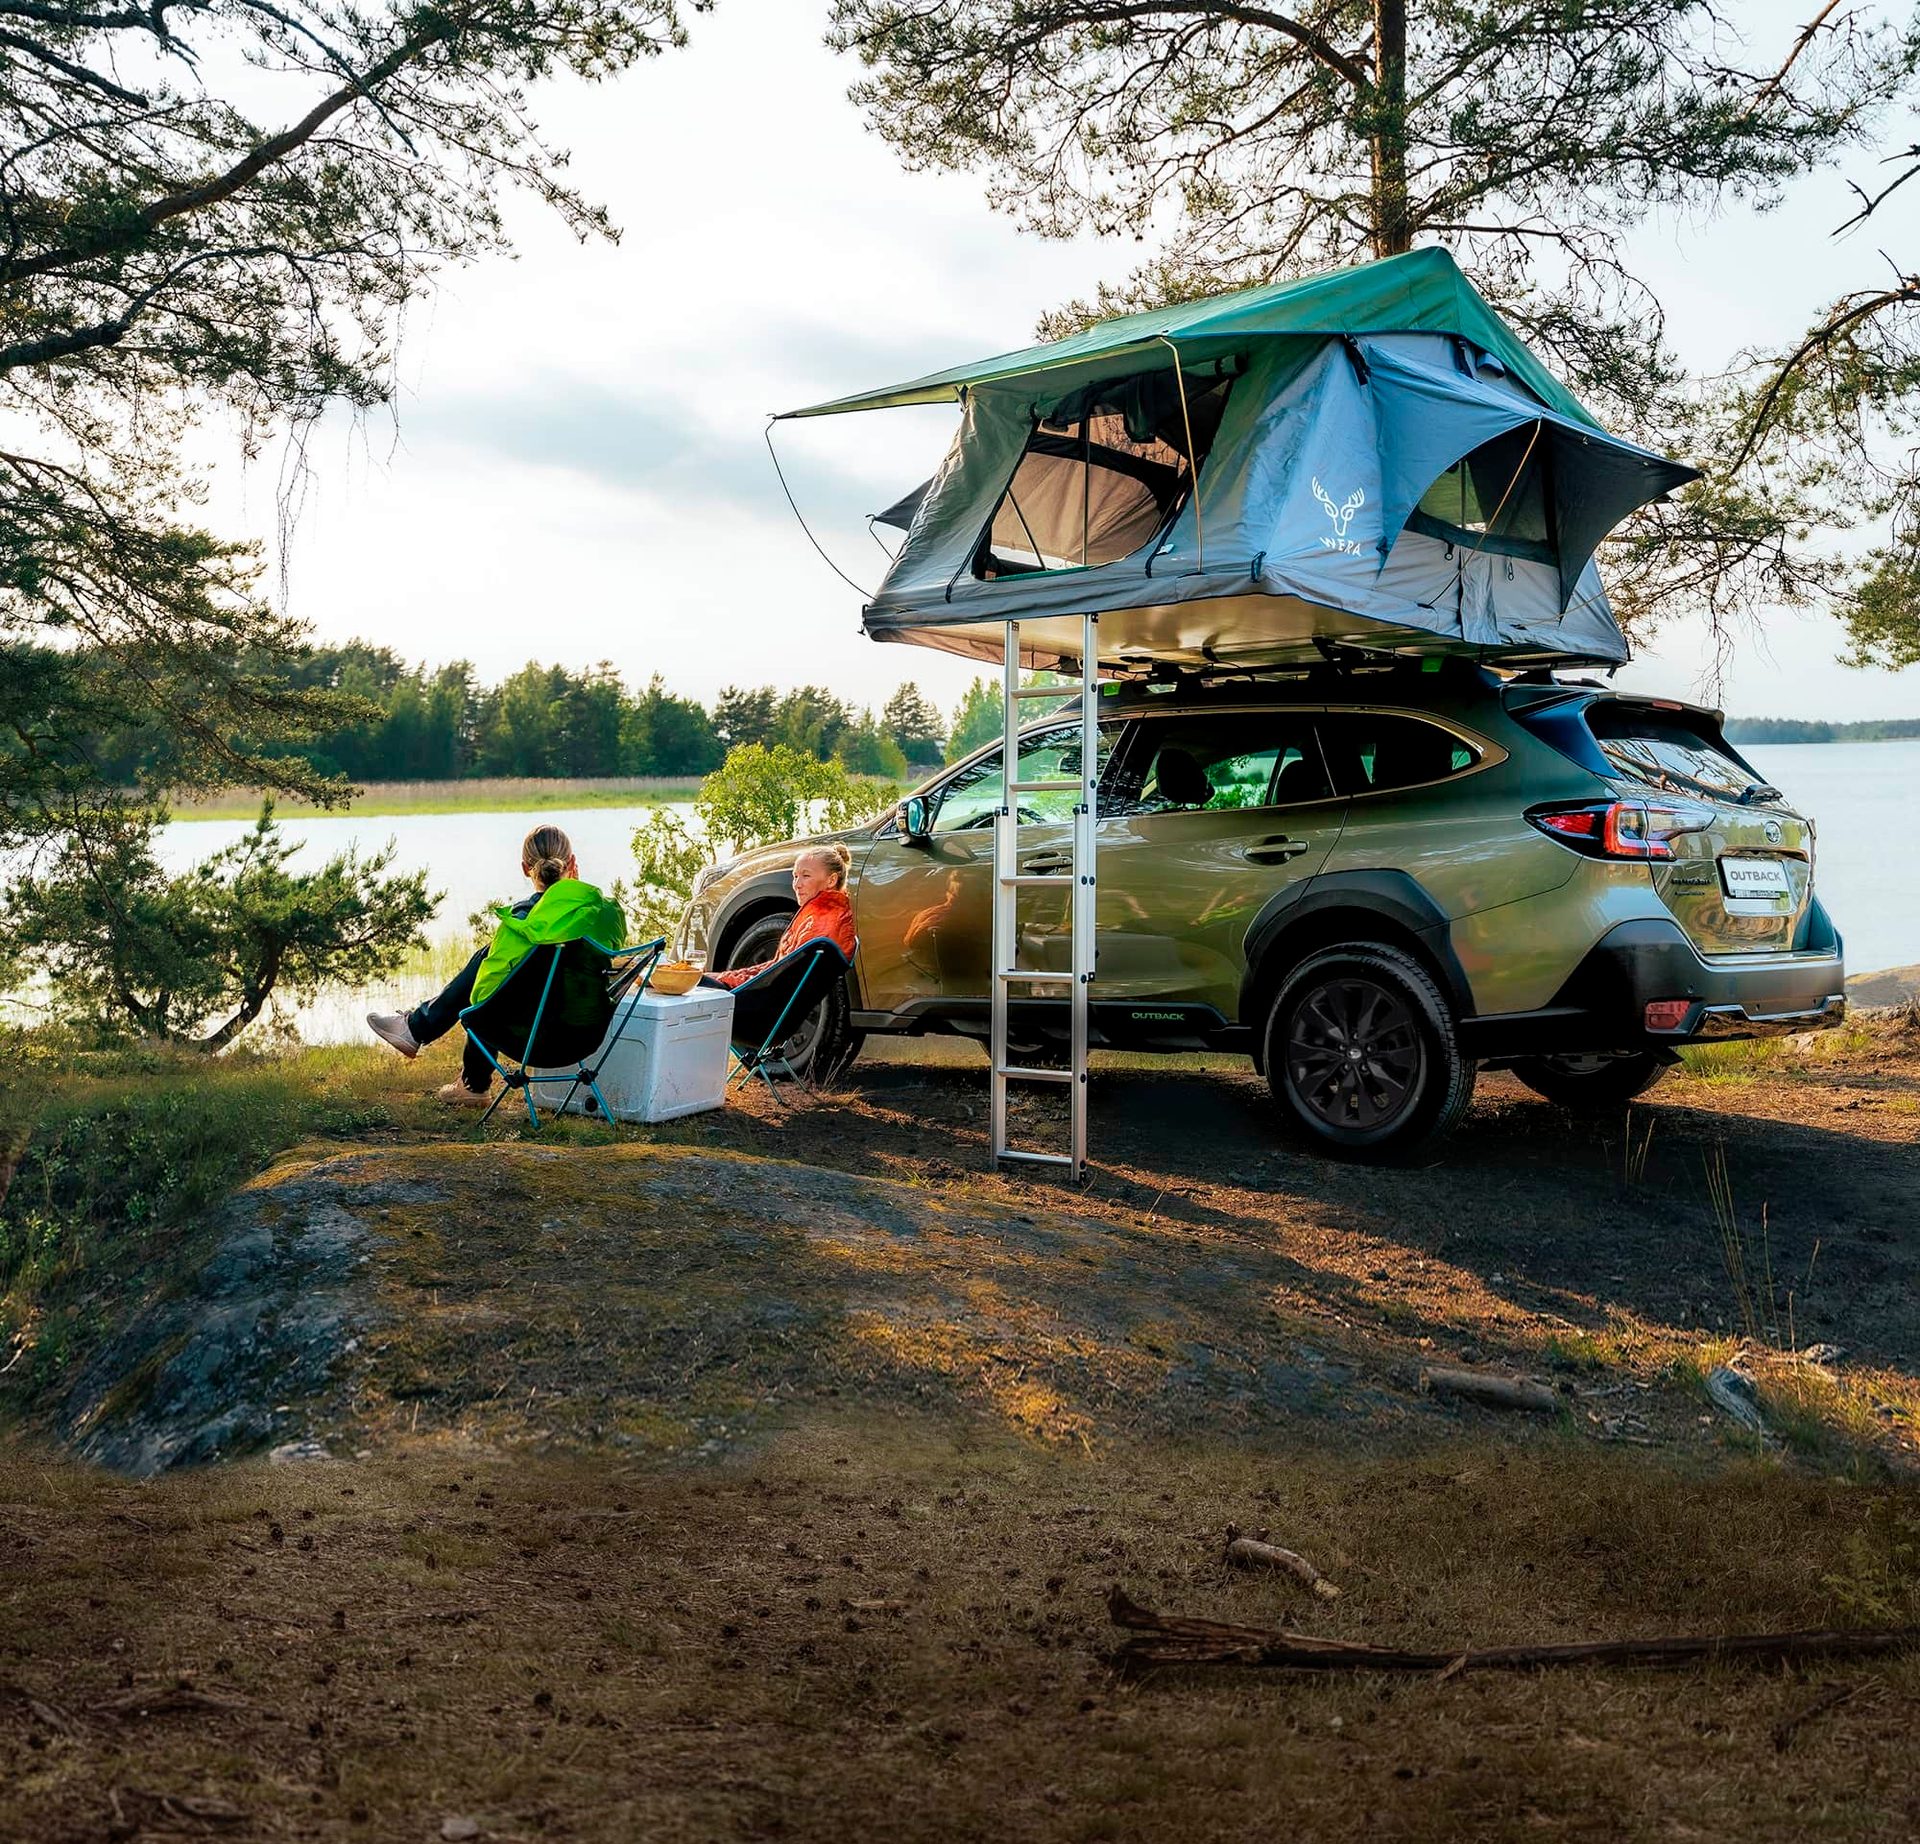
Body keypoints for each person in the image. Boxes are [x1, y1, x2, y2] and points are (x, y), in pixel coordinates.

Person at [367, 823, 625, 1106]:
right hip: (584, 1036)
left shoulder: (523, 921)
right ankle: (431, 1043)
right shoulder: (606, 914)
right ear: (572, 863)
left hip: (526, 1039)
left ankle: (434, 1045)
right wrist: (572, 896)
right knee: (505, 977)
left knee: (487, 974)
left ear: (525, 868)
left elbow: (481, 994)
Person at [705, 843, 856, 989]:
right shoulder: (827, 914)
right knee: (705, 977)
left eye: (806, 875)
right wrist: (727, 976)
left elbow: (779, 979)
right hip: (774, 994)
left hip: (764, 997)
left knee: (699, 980)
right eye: (795, 876)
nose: (797, 884)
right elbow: (777, 968)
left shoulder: (822, 922)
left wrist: (724, 979)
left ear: (831, 880)